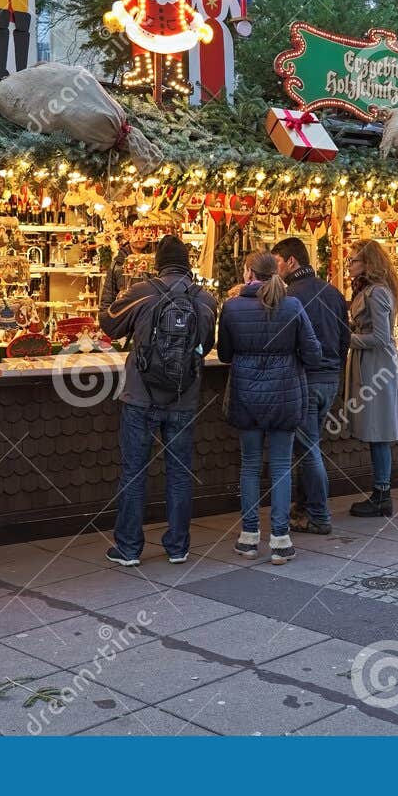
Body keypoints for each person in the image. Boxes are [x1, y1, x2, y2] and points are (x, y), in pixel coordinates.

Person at [97, 234, 217, 568]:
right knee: (179, 473)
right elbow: (204, 346)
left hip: (140, 396)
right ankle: (178, 546)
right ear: (188, 263)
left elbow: (109, 324)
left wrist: (112, 274)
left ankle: (130, 547)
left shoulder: (142, 292)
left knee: (134, 472)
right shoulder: (205, 300)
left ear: (158, 263)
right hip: (184, 398)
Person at [218, 251, 323, 564]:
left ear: (249, 272)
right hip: (285, 397)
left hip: (246, 397)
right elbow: (314, 353)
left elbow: (224, 354)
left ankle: (249, 538)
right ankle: (280, 539)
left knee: (249, 465)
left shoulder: (232, 307)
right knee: (280, 468)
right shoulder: (291, 305)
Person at [274, 236, 350, 535]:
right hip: (329, 379)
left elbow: (284, 341)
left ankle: (319, 514)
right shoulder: (333, 293)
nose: (275, 268)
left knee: (308, 448)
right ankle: (304, 505)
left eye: (277, 262)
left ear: (291, 262)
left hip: (305, 379)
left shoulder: (290, 297)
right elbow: (345, 338)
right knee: (310, 444)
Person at [344, 239, 398, 518]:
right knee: (374, 431)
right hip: (369, 365)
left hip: (377, 368)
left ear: (368, 263)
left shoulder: (377, 293)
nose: (349, 265)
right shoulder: (369, 291)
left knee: (378, 431)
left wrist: (347, 338)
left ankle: (382, 495)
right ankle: (380, 492)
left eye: (354, 260)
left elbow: (381, 337)